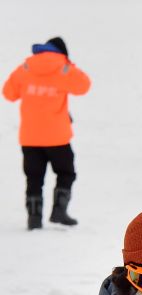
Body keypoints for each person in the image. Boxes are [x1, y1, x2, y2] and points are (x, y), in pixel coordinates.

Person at [3, 37, 90, 230]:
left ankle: (34, 218)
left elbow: (8, 93)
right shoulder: (64, 68)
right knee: (66, 172)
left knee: (33, 177)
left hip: (30, 137)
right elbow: (84, 85)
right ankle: (59, 211)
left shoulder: (26, 67)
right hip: (57, 137)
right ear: (62, 52)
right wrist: (67, 65)